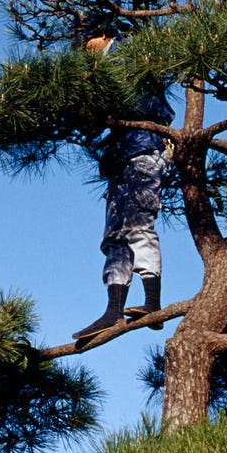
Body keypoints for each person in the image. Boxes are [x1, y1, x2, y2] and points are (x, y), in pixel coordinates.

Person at [72, 21, 174, 341]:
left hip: (146, 146)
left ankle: (152, 302)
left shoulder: (131, 52)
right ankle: (113, 309)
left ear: (101, 34)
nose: (83, 50)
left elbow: (151, 104)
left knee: (137, 224)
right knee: (114, 234)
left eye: (85, 42)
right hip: (120, 155)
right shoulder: (101, 72)